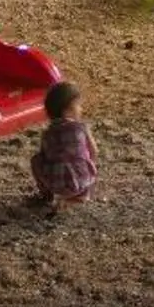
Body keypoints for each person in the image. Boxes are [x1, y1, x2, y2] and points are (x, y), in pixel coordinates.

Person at [28, 81, 97, 210]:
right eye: (78, 106)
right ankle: (83, 195)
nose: (81, 109)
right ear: (68, 110)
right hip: (81, 182)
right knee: (85, 157)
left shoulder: (47, 133)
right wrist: (89, 168)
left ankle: (46, 194)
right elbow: (94, 151)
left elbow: (44, 157)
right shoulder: (81, 128)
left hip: (55, 185)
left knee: (36, 160)